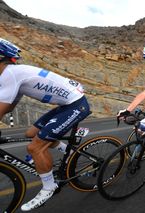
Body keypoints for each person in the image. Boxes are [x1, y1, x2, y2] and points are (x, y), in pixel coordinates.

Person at [0, 38, 91, 211]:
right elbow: (8, 105)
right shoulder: (10, 74)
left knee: (35, 147)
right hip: (67, 104)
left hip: (76, 104)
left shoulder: (8, 74)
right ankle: (70, 152)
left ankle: (49, 187)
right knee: (31, 134)